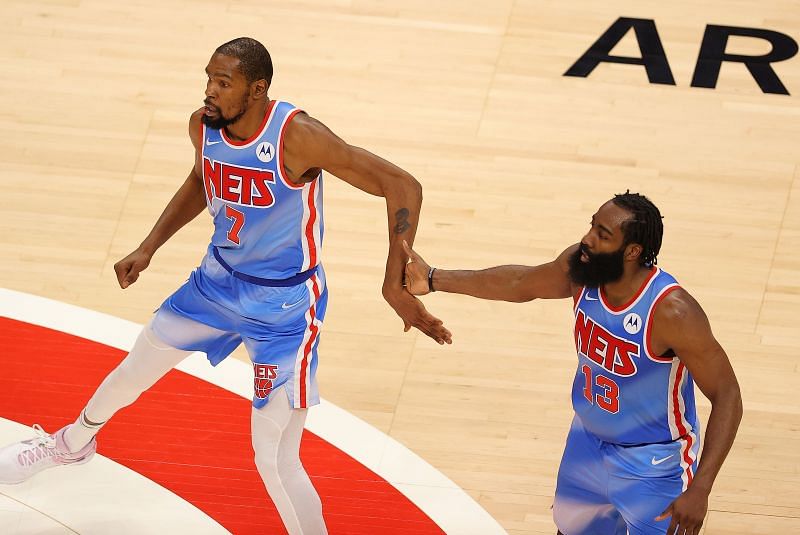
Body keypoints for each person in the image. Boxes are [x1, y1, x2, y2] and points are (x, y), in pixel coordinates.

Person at [0, 37, 451, 534]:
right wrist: (149, 246)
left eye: (222, 82)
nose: (209, 91)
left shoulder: (297, 136)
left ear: (256, 89)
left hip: (283, 308)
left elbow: (403, 186)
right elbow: (201, 180)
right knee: (134, 368)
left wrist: (394, 283)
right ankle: (71, 444)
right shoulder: (203, 125)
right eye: (208, 79)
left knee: (273, 458)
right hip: (215, 284)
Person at [402, 192, 742, 535]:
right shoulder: (582, 270)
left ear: (632, 251)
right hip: (587, 443)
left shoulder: (672, 311)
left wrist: (701, 487)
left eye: (603, 235)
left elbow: (727, 394)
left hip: (653, 464)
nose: (588, 239)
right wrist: (432, 278)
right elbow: (521, 283)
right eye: (592, 226)